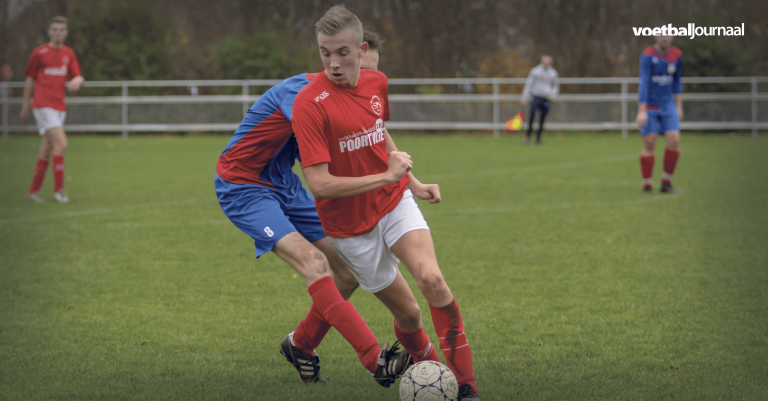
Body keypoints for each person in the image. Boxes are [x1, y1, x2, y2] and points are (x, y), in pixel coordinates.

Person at [292, 5, 480, 400]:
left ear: (361, 50)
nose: (333, 63)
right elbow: (319, 184)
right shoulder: (308, 104)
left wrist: (411, 181)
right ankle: (436, 375)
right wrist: (387, 175)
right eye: (325, 53)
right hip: (350, 229)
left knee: (433, 280)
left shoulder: (377, 82)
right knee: (409, 315)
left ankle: (466, 387)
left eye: (342, 52)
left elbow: (378, 134)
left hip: (393, 202)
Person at [214, 26, 411, 387]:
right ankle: (374, 359)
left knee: (347, 273)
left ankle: (301, 344)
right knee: (314, 262)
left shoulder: (348, 93)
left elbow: (370, 131)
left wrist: (410, 181)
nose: (366, 81)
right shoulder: (304, 95)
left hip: (285, 183)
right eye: (363, 70)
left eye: (372, 73)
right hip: (244, 186)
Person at [20, 16, 84, 203]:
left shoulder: (68, 53)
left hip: (59, 107)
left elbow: (78, 76)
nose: (58, 33)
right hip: (42, 105)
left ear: (66, 32)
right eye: (55, 29)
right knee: (62, 144)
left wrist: (78, 81)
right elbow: (29, 79)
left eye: (61, 30)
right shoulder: (39, 53)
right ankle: (59, 191)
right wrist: (25, 105)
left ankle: (33, 192)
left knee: (47, 149)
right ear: (49, 32)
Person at [635, 35, 682, 194]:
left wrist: (678, 106)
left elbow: (677, 82)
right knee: (650, 142)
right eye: (661, 33)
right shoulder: (647, 55)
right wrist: (642, 111)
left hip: (668, 105)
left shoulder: (677, 55)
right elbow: (644, 82)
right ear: (655, 35)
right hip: (650, 105)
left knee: (674, 140)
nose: (664, 37)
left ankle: (666, 183)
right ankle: (647, 184)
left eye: (667, 33)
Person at [521, 55, 559, 144]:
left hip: (546, 98)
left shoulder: (553, 73)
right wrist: (524, 97)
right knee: (532, 115)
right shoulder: (535, 71)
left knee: (542, 118)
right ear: (541, 61)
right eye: (544, 61)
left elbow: (556, 86)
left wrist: (553, 94)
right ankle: (528, 136)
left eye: (547, 61)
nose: (546, 63)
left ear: (550, 62)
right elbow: (529, 84)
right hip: (536, 97)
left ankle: (538, 138)